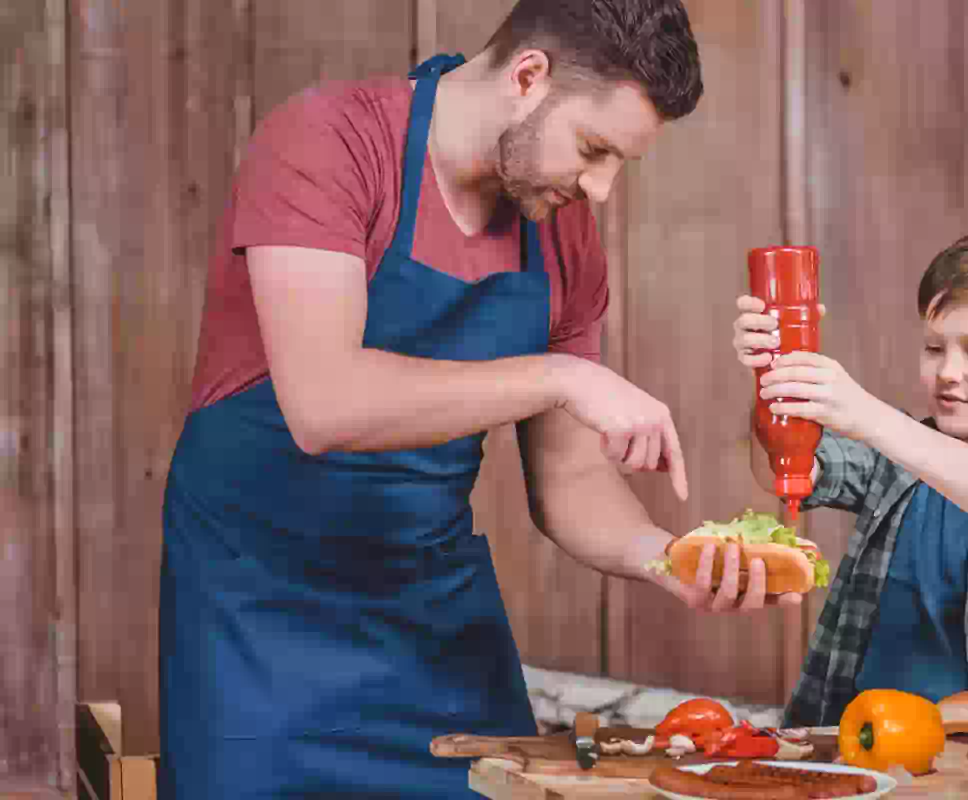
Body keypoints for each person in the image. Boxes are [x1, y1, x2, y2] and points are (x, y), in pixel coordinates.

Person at [159, 2, 793, 796]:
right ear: (529, 76)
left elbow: (569, 480)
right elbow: (324, 403)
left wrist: (666, 560)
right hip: (258, 618)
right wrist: (561, 375)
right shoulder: (327, 144)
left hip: (432, 618)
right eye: (593, 150)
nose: (599, 189)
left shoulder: (559, 232)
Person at [731, 233, 968, 726]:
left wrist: (866, 414)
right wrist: (770, 377)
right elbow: (784, 471)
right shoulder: (895, 453)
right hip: (865, 737)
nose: (948, 371)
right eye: (934, 348)